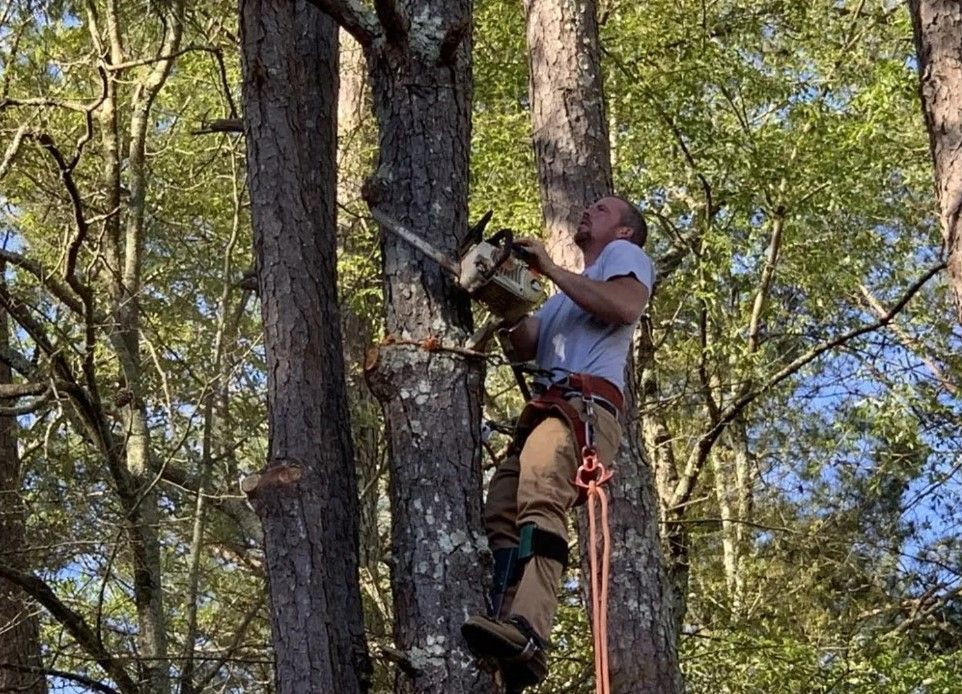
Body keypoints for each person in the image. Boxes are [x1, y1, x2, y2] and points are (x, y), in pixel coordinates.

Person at [461, 196, 654, 691]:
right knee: (502, 510)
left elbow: (624, 306)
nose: (590, 212)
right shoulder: (564, 299)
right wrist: (505, 302)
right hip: (549, 412)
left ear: (626, 232)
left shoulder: (624, 259)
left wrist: (547, 267)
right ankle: (508, 626)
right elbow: (528, 342)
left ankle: (529, 628)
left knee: (541, 500)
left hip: (580, 408)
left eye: (604, 209)